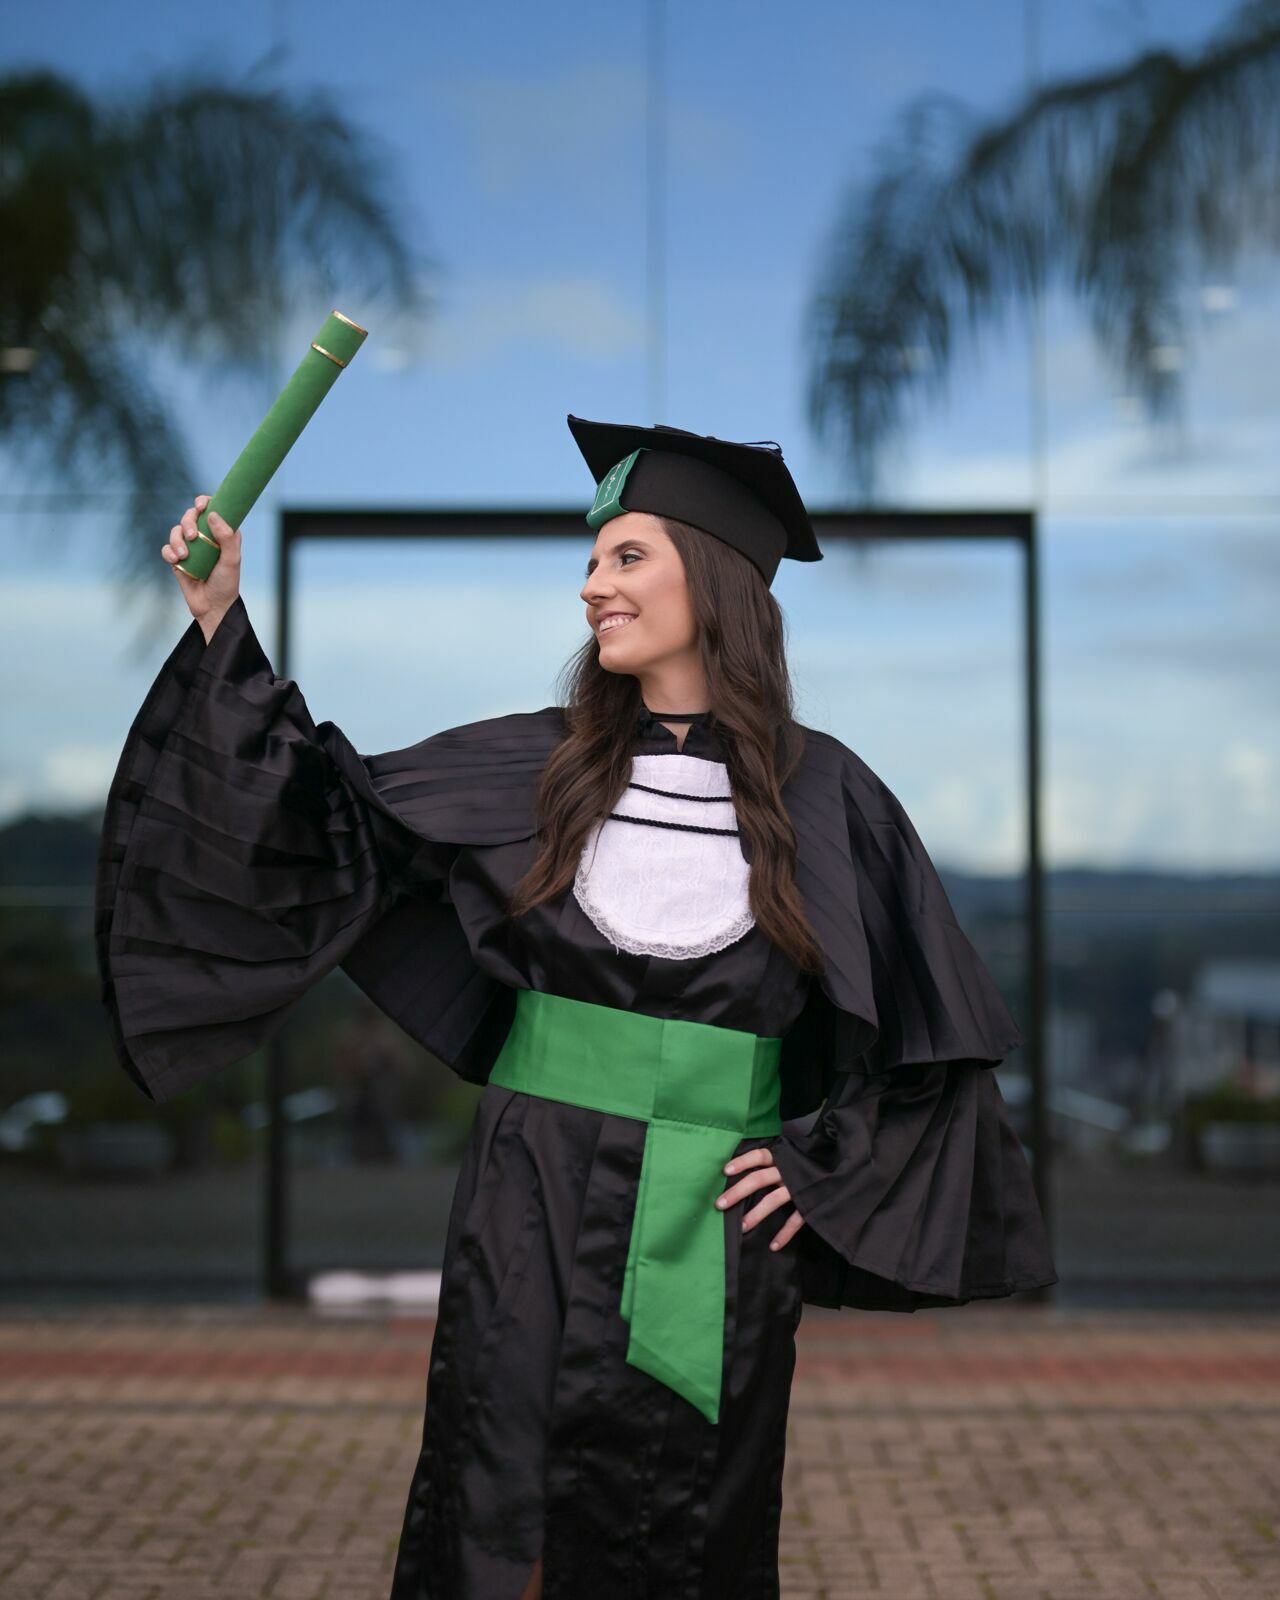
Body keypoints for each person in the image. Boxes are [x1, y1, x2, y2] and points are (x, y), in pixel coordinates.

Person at [95, 414, 1058, 1599]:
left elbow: (931, 1042)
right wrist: (217, 615)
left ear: (713, 577)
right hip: (527, 1191)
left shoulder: (831, 798)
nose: (592, 584)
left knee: (682, 1523)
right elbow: (320, 815)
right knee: (500, 1506)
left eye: (626, 556)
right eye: (591, 559)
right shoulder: (536, 768)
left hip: (706, 1218)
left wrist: (816, 1163)